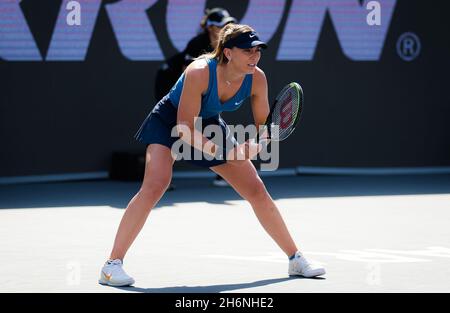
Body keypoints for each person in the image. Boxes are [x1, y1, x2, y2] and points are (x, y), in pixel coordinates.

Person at [99, 24, 326, 287]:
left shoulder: (257, 78)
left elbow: (265, 125)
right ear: (228, 53)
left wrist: (257, 143)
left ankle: (295, 259)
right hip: (171, 120)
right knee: (155, 185)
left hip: (208, 123)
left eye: (257, 50)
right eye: (247, 51)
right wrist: (227, 151)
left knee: (256, 190)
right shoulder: (199, 72)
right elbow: (184, 128)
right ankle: (111, 265)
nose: (254, 56)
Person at [154, 7, 236, 187]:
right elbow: (188, 76)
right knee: (171, 126)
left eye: (230, 24)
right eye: (224, 25)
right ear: (211, 28)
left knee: (213, 123)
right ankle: (159, 178)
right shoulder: (197, 43)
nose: (228, 28)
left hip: (200, 89)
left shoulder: (227, 45)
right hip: (169, 82)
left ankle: (226, 173)